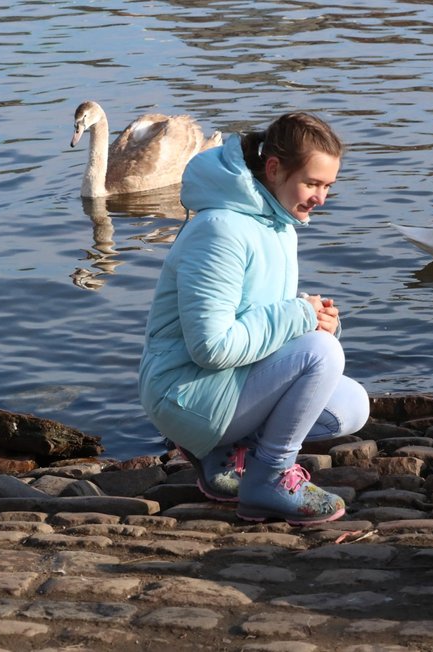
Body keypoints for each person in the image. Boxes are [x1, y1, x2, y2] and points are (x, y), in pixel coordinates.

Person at [138, 112, 369, 524]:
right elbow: (212, 347)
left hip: (228, 383)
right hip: (185, 392)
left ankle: (225, 455)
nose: (321, 198)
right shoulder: (220, 230)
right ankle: (269, 478)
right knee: (320, 354)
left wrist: (316, 321)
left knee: (349, 405)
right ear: (275, 168)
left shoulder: (277, 225)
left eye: (328, 186)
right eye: (312, 183)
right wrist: (298, 317)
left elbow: (260, 317)